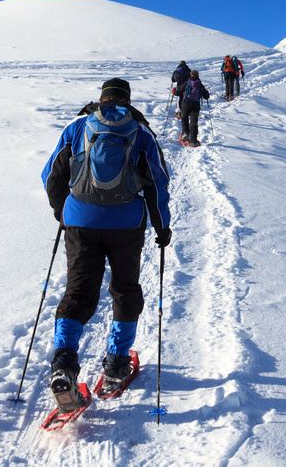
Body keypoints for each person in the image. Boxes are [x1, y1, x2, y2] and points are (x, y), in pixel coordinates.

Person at [41, 78, 172, 411]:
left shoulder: (78, 127)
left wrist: (64, 212)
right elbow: (158, 184)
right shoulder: (140, 133)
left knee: (79, 291)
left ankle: (65, 362)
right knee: (125, 290)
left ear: (101, 99)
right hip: (126, 224)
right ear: (127, 101)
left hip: (80, 221)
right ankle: (115, 366)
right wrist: (162, 227)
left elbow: (51, 175)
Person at [180, 70, 210, 147]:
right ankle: (193, 141)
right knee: (194, 122)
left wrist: (173, 91)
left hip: (186, 104)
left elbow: (178, 92)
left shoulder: (187, 83)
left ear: (190, 75)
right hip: (196, 105)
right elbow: (206, 96)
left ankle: (185, 135)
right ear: (198, 76)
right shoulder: (200, 84)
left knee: (184, 119)